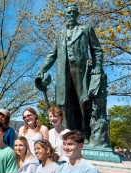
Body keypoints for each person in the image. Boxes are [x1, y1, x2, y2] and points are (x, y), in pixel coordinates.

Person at [36, 3, 104, 144]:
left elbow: (97, 50)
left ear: (77, 15)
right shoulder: (60, 34)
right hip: (63, 72)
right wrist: (43, 69)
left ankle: (85, 132)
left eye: (74, 12)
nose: (71, 15)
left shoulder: (85, 29)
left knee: (82, 101)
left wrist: (97, 65)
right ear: (65, 16)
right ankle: (66, 132)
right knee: (64, 102)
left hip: (80, 70)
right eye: (69, 13)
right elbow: (52, 54)